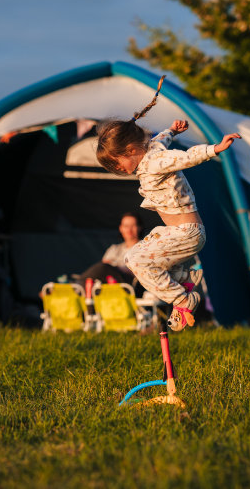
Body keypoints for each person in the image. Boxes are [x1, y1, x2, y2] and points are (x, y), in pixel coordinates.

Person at [95, 77, 241, 331]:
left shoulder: (155, 162)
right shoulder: (150, 153)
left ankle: (182, 298)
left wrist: (215, 149)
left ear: (130, 150)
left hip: (187, 233)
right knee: (134, 259)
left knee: (137, 260)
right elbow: (160, 141)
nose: (119, 170)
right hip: (176, 232)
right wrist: (171, 131)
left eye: (117, 164)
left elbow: (184, 158)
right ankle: (187, 278)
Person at [76, 212, 142, 290]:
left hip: (129, 281)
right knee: (100, 271)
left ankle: (78, 286)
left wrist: (114, 266)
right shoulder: (114, 248)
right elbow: (103, 267)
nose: (129, 230)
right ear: (121, 228)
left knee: (103, 267)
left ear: (139, 227)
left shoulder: (144, 247)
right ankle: (80, 285)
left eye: (133, 226)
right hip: (109, 281)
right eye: (126, 226)